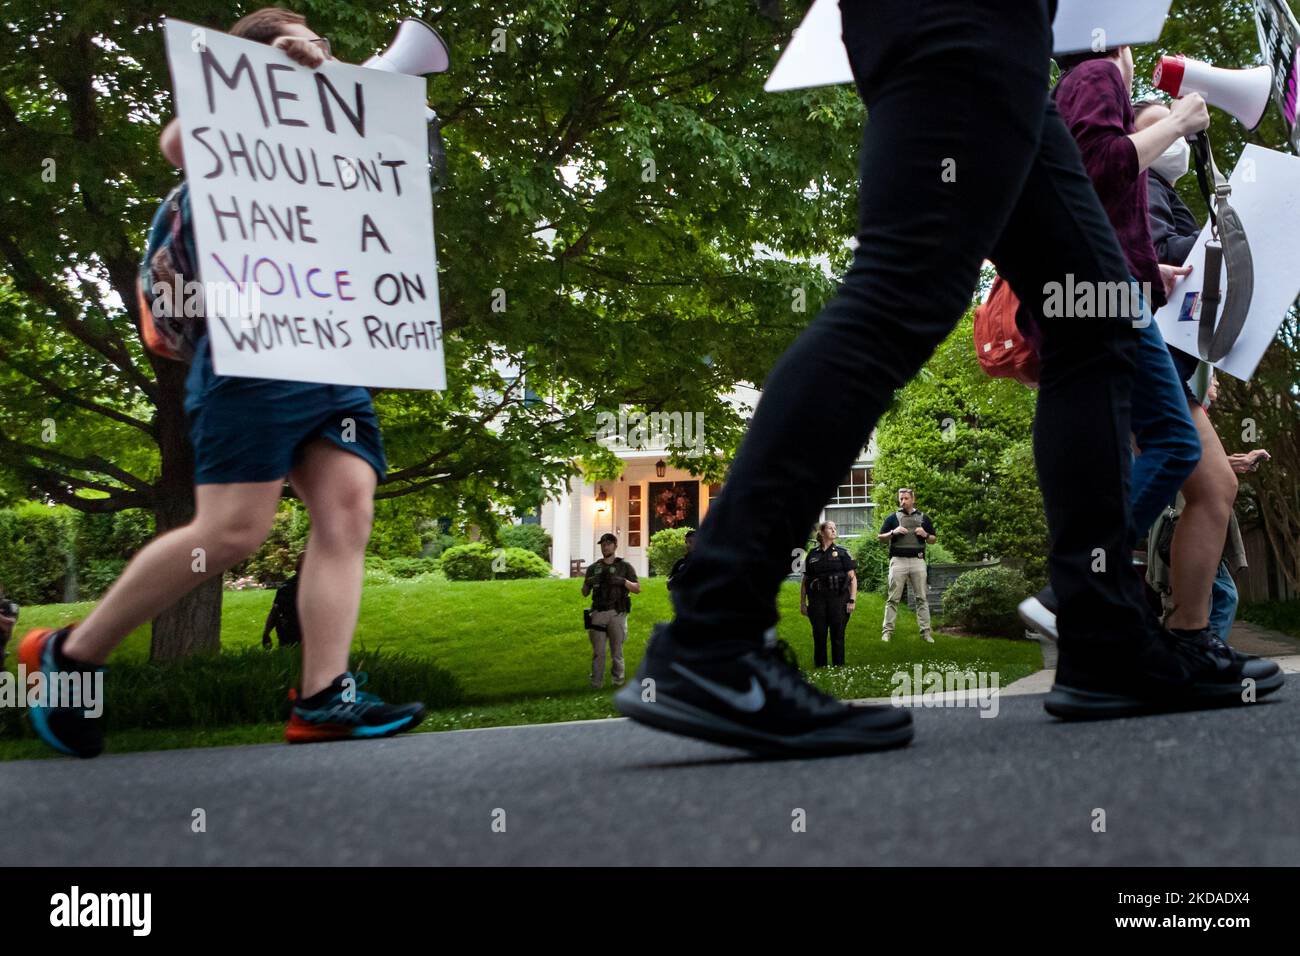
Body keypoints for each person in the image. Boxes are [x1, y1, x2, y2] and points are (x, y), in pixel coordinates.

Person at [615, 0, 1282, 757]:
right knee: (904, 289)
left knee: (1096, 317)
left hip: (999, 33)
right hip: (964, 19)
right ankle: (715, 630)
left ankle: (1105, 643)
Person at [17, 6, 426, 759]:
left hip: (329, 356)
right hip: (251, 358)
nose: (316, 60)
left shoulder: (331, 149)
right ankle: (70, 655)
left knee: (347, 512)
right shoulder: (225, 143)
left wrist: (350, 91)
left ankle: (323, 697)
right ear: (250, 72)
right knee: (235, 531)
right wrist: (275, 76)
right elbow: (176, 143)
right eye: (297, 55)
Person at [1018, 49, 1209, 640]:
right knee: (1174, 442)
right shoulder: (1098, 75)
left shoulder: (1070, 87)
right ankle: (1077, 585)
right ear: (1118, 48)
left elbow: (1094, 205)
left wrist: (1156, 273)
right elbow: (1097, 166)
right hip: (1109, 297)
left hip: (1111, 292)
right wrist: (1177, 123)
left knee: (1145, 446)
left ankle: (1082, 591)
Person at [877, 489, 936, 644]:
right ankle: (887, 632)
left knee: (922, 598)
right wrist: (893, 532)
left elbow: (933, 540)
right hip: (898, 561)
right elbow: (880, 538)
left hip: (918, 561)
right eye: (900, 499)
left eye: (906, 498)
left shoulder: (924, 518)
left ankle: (926, 633)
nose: (902, 501)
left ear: (913, 499)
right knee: (893, 599)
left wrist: (926, 535)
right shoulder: (893, 518)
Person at [582, 533, 640, 688]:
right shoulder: (594, 568)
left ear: (615, 546)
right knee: (598, 653)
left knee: (617, 651)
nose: (605, 547)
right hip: (598, 613)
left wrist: (622, 581)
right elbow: (584, 592)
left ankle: (618, 682)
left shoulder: (625, 567)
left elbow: (637, 588)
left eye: (608, 544)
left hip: (617, 613)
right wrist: (589, 582)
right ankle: (596, 684)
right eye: (603, 544)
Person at [800, 521, 857, 667]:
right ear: (822, 532)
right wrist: (802, 603)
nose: (834, 530)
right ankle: (821, 668)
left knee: (837, 635)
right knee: (819, 635)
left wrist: (852, 600)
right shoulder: (812, 555)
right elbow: (805, 581)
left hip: (838, 599)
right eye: (830, 528)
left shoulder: (843, 553)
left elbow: (852, 578)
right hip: (817, 600)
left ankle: (838, 667)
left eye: (835, 528)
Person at [262, 552, 306, 649]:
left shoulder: (286, 586)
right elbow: (276, 610)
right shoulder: (287, 587)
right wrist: (266, 632)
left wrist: (266, 632)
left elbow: (275, 610)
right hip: (291, 636)